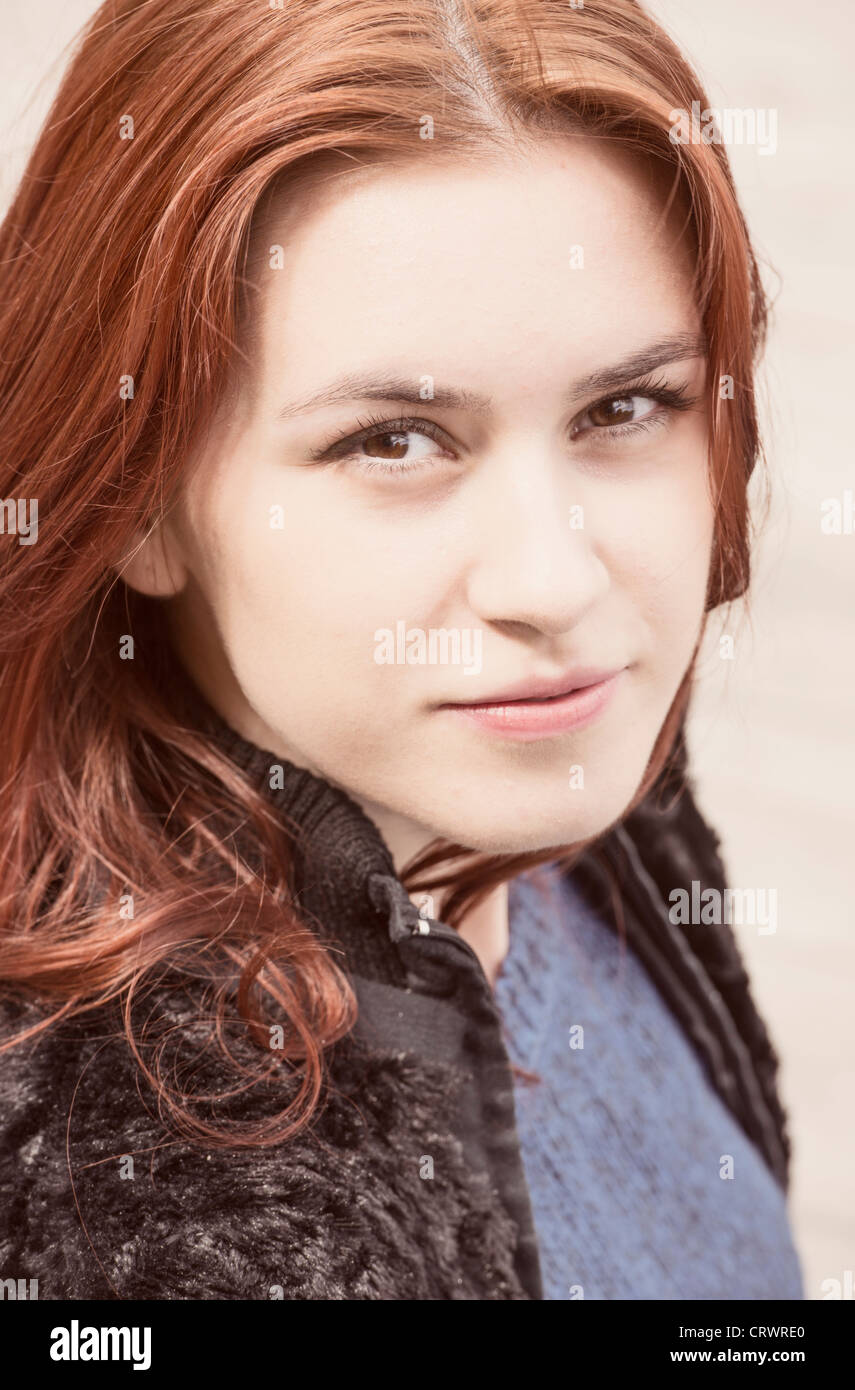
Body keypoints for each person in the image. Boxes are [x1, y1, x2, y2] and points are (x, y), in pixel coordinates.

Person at [0, 0, 803, 1299]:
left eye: (625, 406)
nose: (554, 580)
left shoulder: (567, 796)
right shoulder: (128, 1230)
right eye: (393, 440)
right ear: (138, 507)